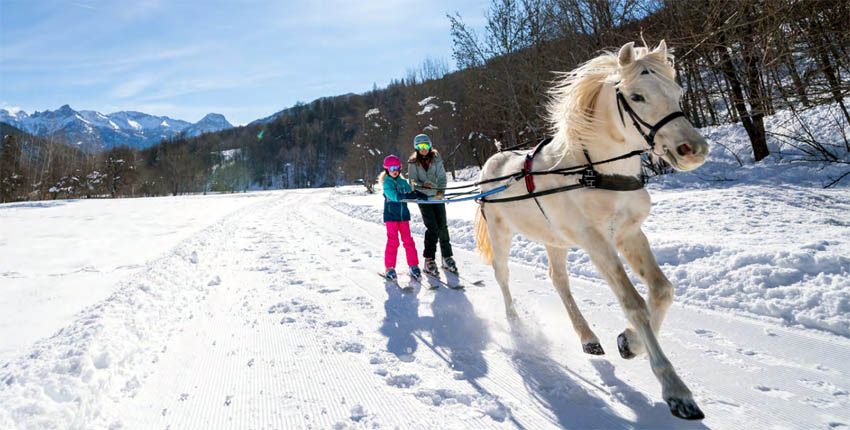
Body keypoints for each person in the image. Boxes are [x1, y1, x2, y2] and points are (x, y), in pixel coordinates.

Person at [407, 134, 457, 276]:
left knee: (442, 226)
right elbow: (412, 183)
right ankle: (429, 259)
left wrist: (441, 191)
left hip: (437, 196)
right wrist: (423, 186)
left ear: (430, 146)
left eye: (426, 146)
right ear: (416, 147)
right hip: (423, 198)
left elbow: (442, 177)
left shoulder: (436, 159)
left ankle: (447, 257)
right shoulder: (412, 163)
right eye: (420, 146)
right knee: (432, 228)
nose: (423, 149)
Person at [380, 155, 421, 281]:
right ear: (387, 169)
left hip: (403, 217)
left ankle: (413, 265)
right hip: (391, 217)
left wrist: (417, 193)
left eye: (397, 168)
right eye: (392, 168)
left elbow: (411, 191)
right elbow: (394, 196)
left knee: (408, 240)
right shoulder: (387, 182)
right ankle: (390, 267)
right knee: (393, 241)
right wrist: (406, 195)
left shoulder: (403, 182)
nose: (395, 171)